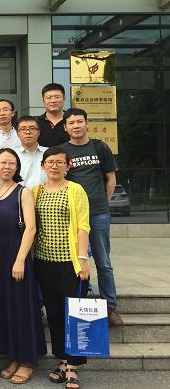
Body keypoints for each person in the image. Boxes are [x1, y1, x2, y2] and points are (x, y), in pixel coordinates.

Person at [0, 148, 46, 384]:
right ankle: (13, 356)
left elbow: (31, 228)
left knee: (21, 307)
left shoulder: (23, 192)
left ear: (17, 167)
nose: (7, 167)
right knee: (3, 306)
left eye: (12, 163)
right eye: (3, 162)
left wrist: (20, 259)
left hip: (15, 253)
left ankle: (27, 361)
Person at [33, 147, 91, 389]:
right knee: (54, 314)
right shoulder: (36, 191)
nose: (54, 166)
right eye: (50, 162)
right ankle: (62, 360)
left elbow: (83, 226)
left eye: (59, 162)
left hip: (70, 263)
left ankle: (73, 365)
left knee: (72, 313)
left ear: (67, 166)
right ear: (43, 165)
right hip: (44, 262)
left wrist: (83, 259)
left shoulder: (75, 189)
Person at [61, 108, 122, 325]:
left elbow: (110, 178)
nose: (76, 126)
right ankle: (79, 301)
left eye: (80, 121)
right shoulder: (61, 151)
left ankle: (110, 306)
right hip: (71, 216)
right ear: (65, 127)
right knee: (75, 261)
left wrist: (103, 202)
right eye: (71, 123)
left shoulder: (100, 147)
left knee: (103, 262)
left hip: (98, 213)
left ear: (87, 124)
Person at [14, 116, 48, 189]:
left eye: (32, 128)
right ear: (17, 133)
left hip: (45, 195)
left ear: (38, 132)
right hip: (19, 195)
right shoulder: (12, 155)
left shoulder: (49, 153)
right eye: (23, 129)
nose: (28, 132)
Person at [37, 83, 69, 147]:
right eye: (49, 98)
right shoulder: (36, 123)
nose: (53, 101)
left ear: (64, 98)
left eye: (57, 97)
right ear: (43, 100)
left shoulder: (71, 121)